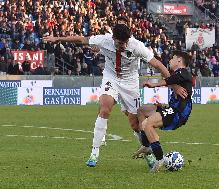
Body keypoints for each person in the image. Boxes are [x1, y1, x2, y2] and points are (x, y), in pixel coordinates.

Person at [43, 22, 188, 167]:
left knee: (136, 124)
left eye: (125, 43)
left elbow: (158, 65)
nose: (123, 46)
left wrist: (174, 86)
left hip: (130, 82)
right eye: (120, 43)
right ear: (113, 38)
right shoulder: (104, 40)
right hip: (111, 77)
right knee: (105, 108)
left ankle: (147, 153)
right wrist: (57, 39)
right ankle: (94, 153)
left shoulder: (136, 46)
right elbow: (81, 39)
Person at [133, 51, 193, 172]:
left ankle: (159, 159)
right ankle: (146, 145)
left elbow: (170, 80)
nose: (170, 60)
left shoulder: (183, 72)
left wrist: (153, 84)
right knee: (141, 111)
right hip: (172, 108)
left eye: (173, 58)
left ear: (179, 61)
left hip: (178, 112)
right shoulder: (179, 75)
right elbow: (172, 81)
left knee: (148, 124)